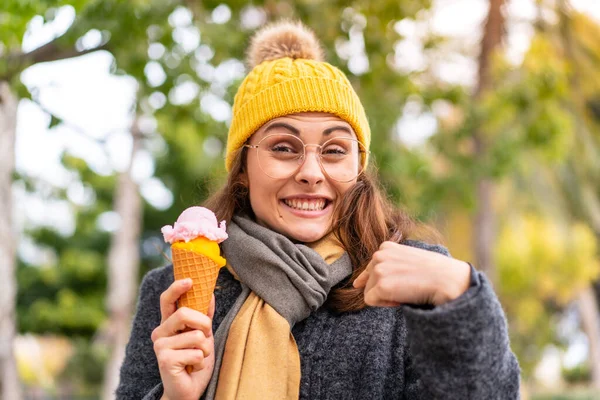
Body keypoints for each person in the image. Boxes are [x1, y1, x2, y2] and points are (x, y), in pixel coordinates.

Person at [116, 20, 520, 400]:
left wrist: (462, 295)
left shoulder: (413, 279)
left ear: (357, 169)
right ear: (242, 170)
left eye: (334, 150)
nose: (311, 172)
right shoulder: (172, 292)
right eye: (283, 148)